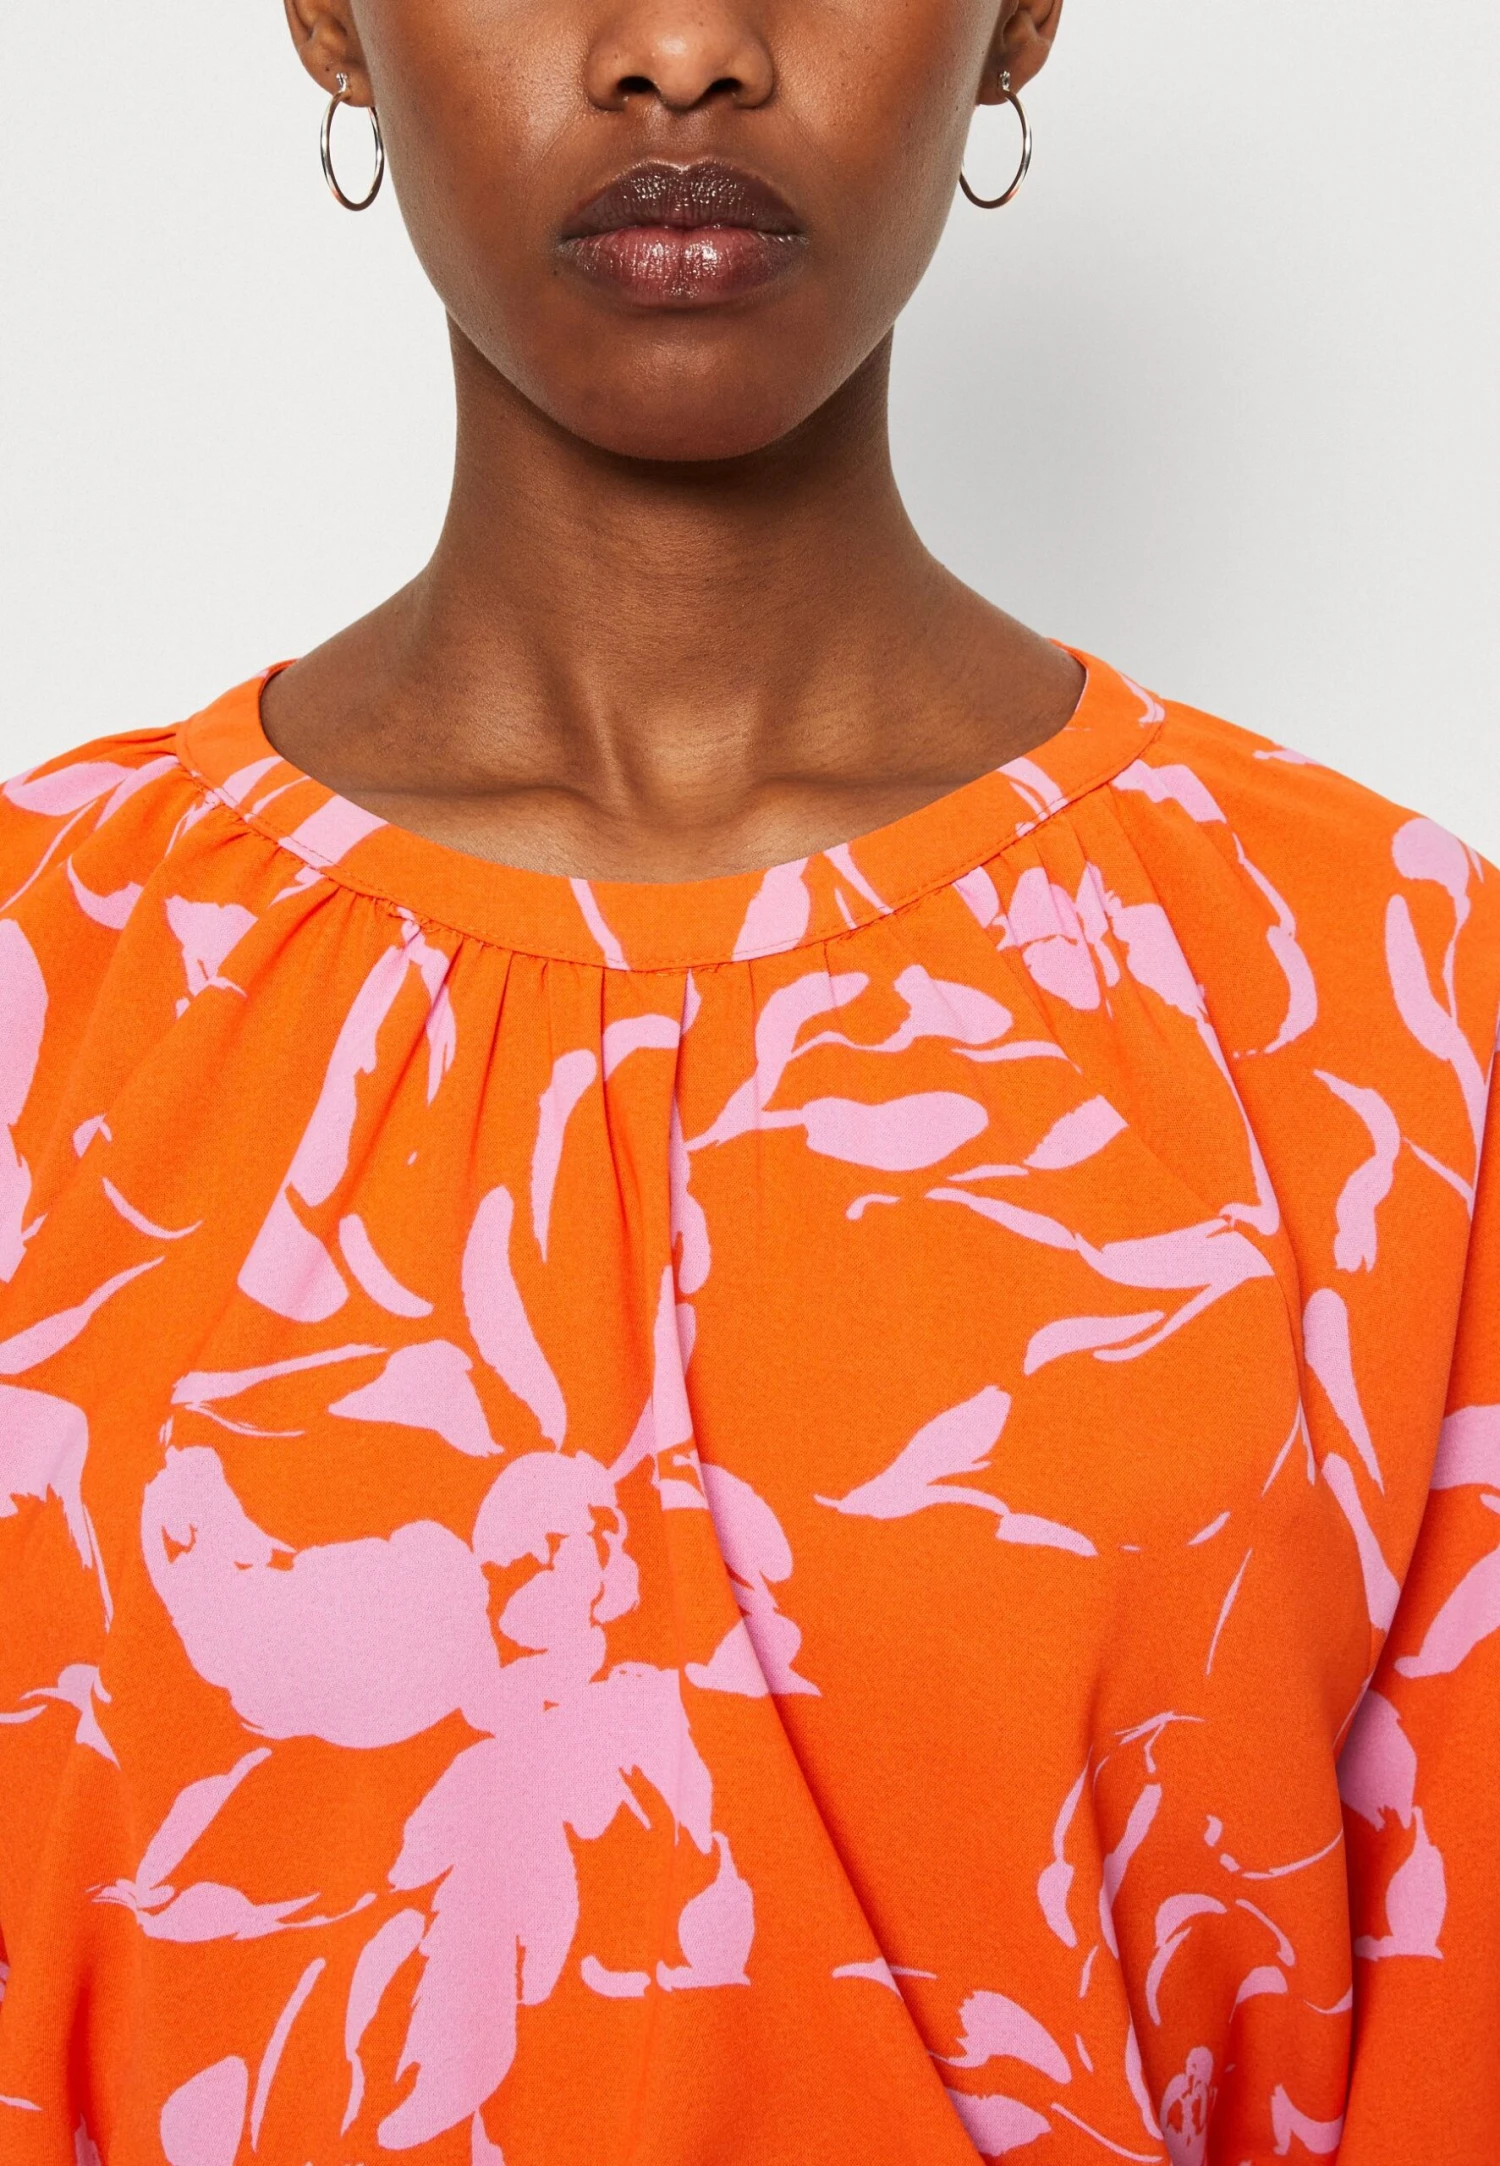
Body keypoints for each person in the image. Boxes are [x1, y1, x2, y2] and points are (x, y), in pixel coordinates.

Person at [0, 1, 1494, 2159]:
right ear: (329, 18)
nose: (684, 47)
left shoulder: (1395, 1008)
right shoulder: (46, 982)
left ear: (1020, 19)